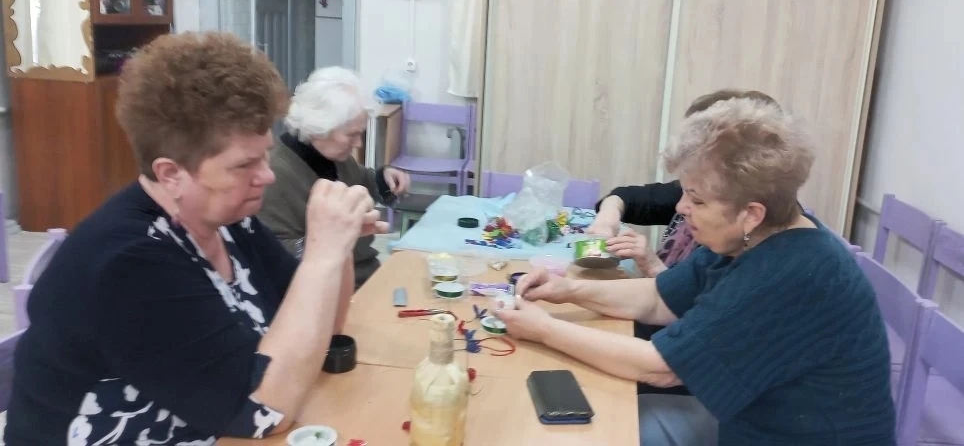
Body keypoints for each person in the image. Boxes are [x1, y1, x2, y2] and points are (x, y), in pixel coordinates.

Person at [4, 32, 388, 445]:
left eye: (264, 154)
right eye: (244, 164)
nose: (267, 175)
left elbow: (323, 330)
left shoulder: (229, 221)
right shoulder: (129, 263)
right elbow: (262, 412)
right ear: (171, 174)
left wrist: (339, 246)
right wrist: (321, 255)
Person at [498, 98, 895, 445]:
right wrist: (567, 290)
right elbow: (658, 298)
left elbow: (661, 367)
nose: (681, 208)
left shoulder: (793, 272)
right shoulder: (752, 236)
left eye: (697, 200)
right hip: (753, 421)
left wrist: (545, 329)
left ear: (750, 213)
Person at [587, 89, 779, 272]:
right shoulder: (691, 191)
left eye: (697, 201)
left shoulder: (754, 251)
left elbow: (698, 294)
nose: (681, 206)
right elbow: (626, 196)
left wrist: (653, 265)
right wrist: (608, 219)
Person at [258, 66, 410, 289]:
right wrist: (335, 236)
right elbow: (275, 253)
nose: (358, 143)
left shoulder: (333, 156)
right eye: (352, 135)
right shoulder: (276, 175)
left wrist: (384, 178)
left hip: (363, 276)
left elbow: (362, 179)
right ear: (319, 129)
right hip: (325, 290)